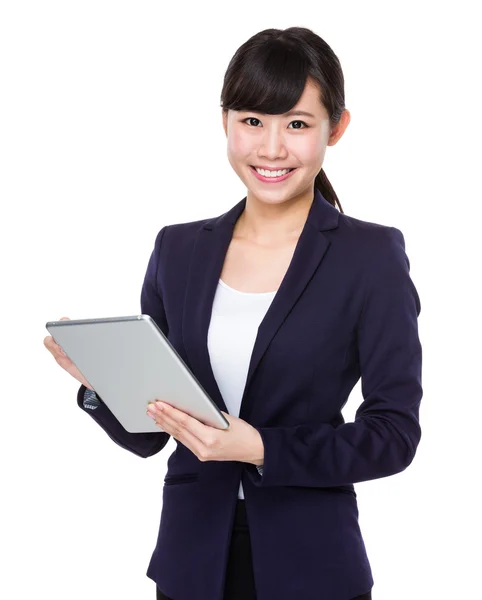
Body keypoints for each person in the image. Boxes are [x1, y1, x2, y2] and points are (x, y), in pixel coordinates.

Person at [44, 26, 423, 600]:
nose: (271, 148)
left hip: (313, 567)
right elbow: (150, 438)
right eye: (252, 121)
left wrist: (262, 448)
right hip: (190, 565)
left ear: (336, 128)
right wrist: (105, 384)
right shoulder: (178, 249)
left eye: (297, 124)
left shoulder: (369, 257)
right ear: (225, 121)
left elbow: (393, 435)